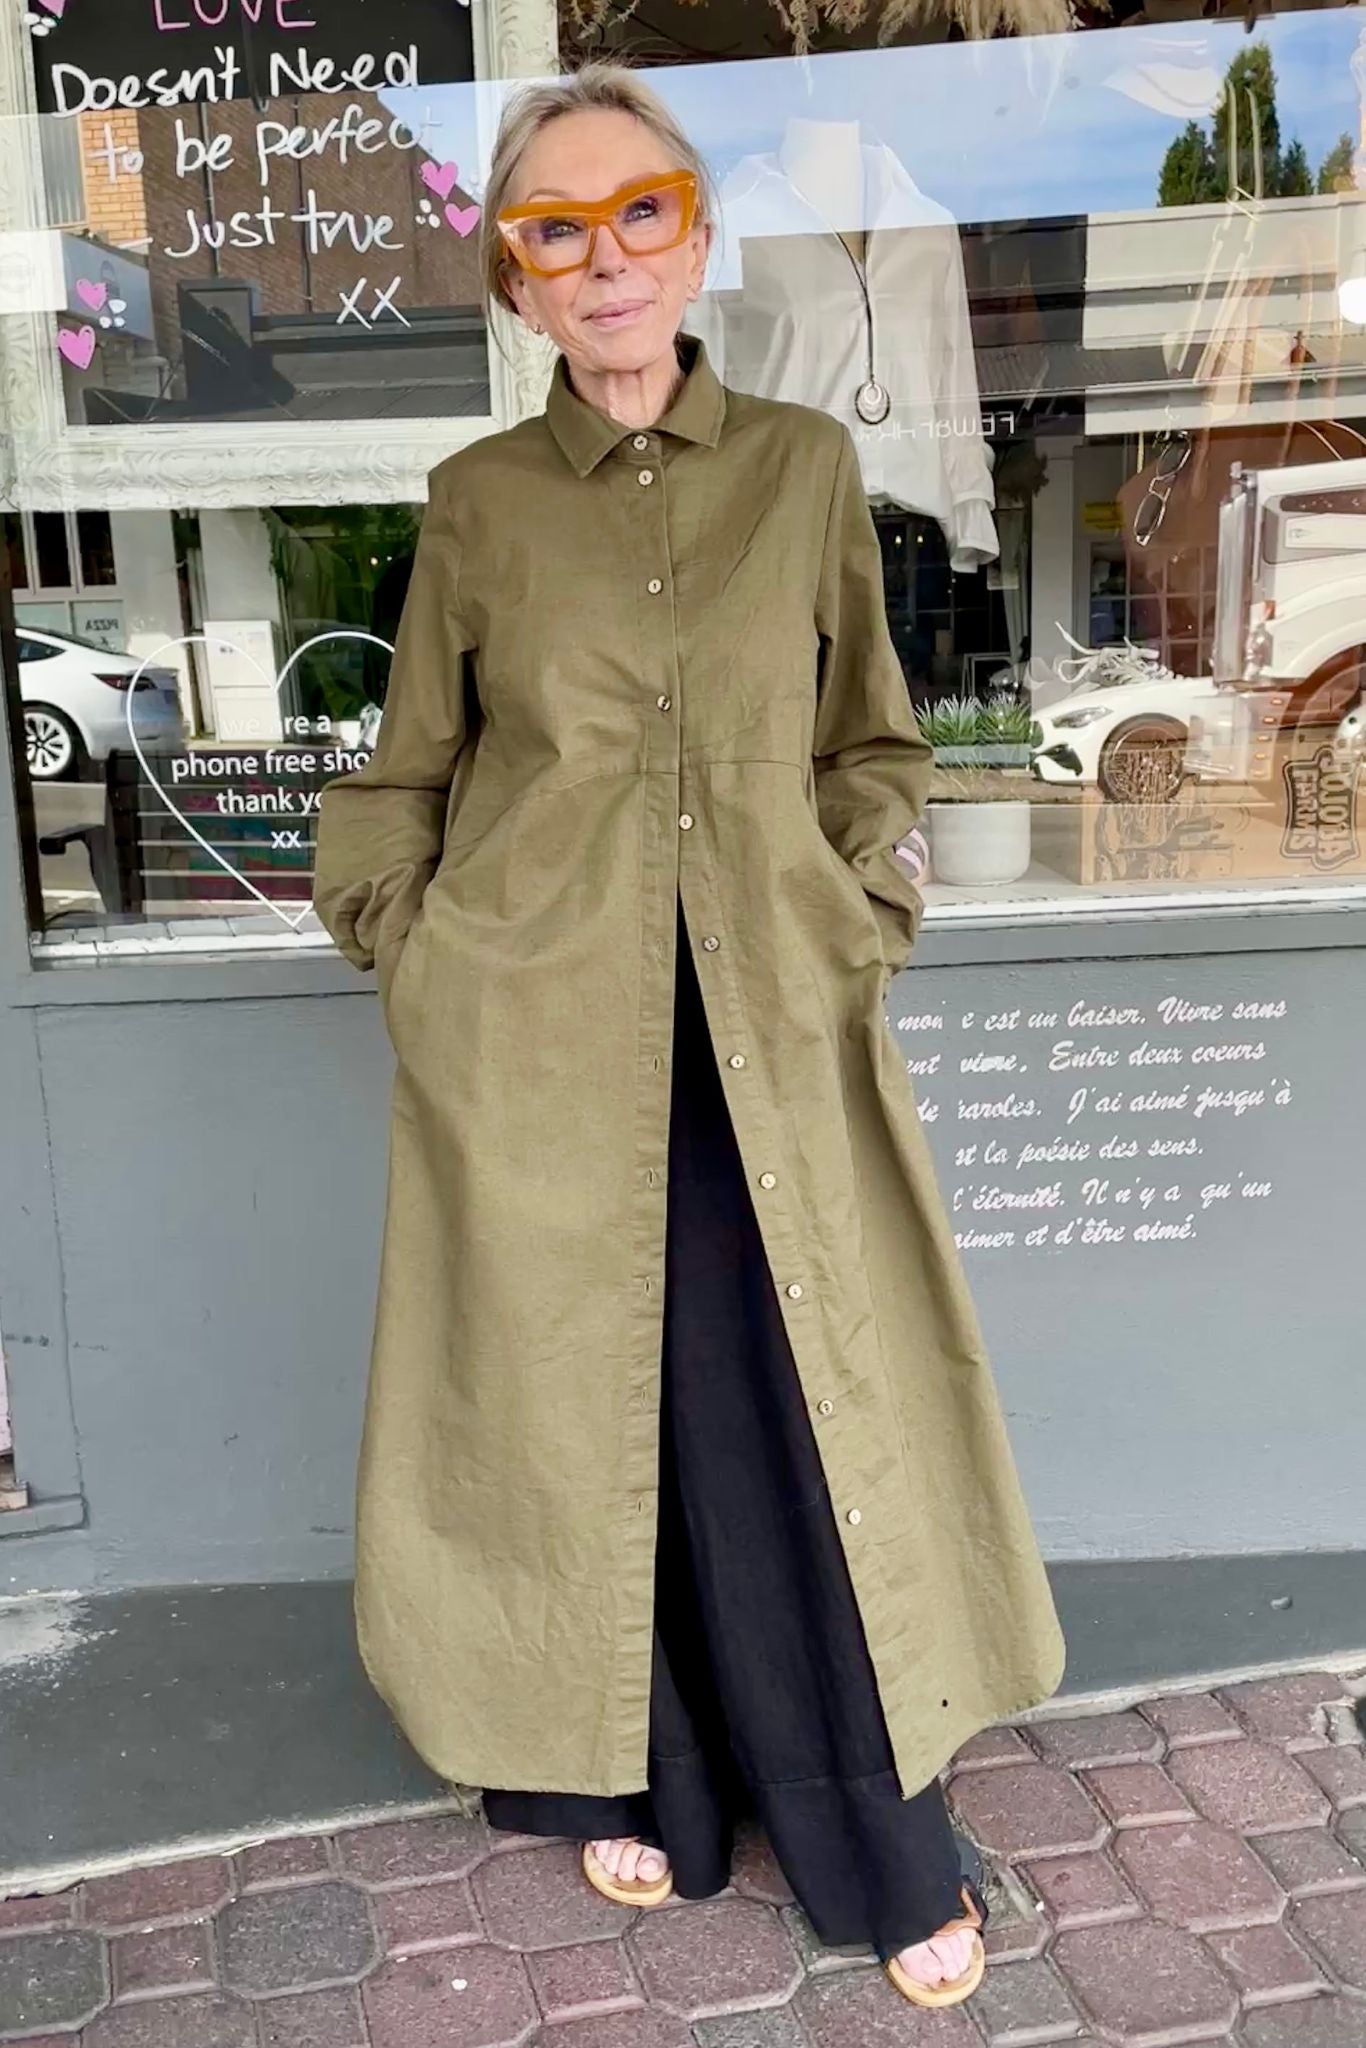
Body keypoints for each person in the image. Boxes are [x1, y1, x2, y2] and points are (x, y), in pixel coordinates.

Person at [311, 61, 1066, 2014]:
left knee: (801, 1422)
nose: (604, 260)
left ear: (694, 235)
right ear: (514, 275)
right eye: (554, 230)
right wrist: (421, 957)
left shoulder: (799, 470)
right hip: (539, 1051)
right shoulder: (477, 505)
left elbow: (870, 744)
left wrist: (862, 911)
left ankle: (878, 1835)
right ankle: (631, 1772)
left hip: (770, 1040)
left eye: (637, 212)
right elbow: (402, 780)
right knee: (584, 1416)